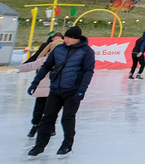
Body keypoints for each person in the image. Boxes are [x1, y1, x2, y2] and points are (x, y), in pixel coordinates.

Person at [27, 26, 95, 156]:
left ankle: (67, 145)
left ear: (77, 39)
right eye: (66, 37)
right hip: (55, 89)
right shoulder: (58, 49)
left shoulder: (87, 51)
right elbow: (46, 66)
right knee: (47, 118)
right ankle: (39, 146)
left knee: (67, 118)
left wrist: (82, 90)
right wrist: (35, 82)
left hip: (73, 91)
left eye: (70, 38)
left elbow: (88, 71)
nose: (66, 40)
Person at [17, 33, 63, 137]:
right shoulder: (45, 56)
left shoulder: (65, 59)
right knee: (40, 107)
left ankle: (51, 126)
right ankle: (35, 125)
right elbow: (33, 63)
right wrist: (19, 68)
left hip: (55, 88)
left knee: (52, 109)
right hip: (43, 87)